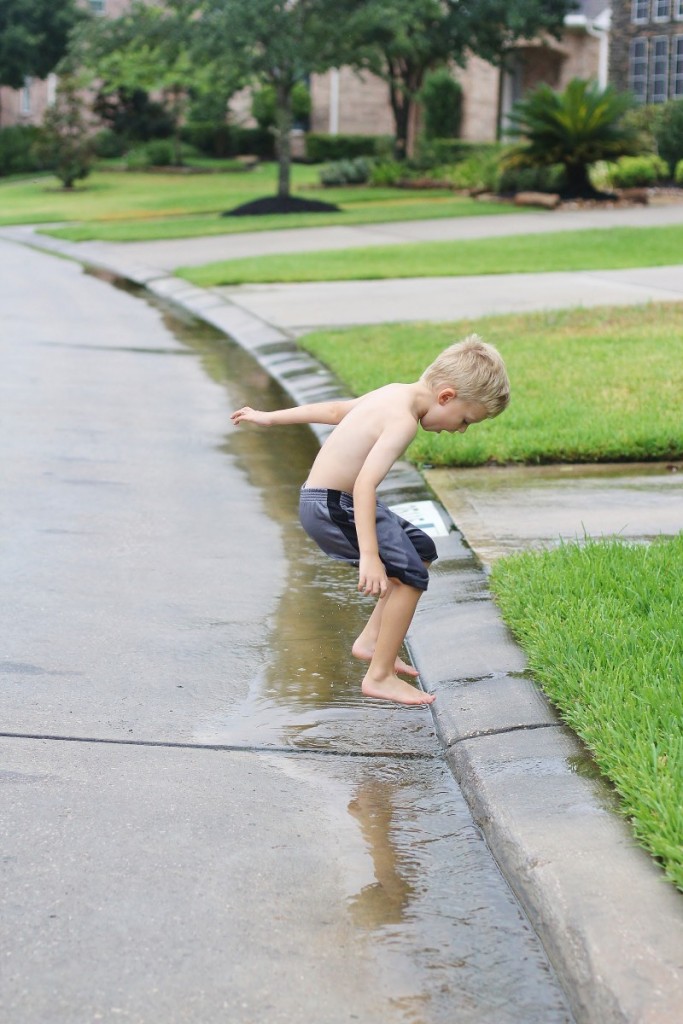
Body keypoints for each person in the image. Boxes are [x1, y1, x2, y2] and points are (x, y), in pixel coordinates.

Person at [231, 334, 510, 707]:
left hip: (334, 501)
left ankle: (372, 641)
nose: (460, 430)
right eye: (464, 420)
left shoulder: (394, 392)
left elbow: (336, 411)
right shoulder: (403, 421)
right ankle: (380, 676)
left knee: (421, 548)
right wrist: (370, 555)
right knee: (411, 576)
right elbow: (365, 484)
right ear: (446, 396)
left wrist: (269, 418)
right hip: (333, 507)